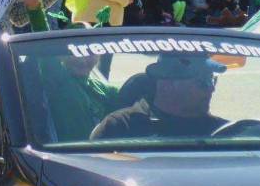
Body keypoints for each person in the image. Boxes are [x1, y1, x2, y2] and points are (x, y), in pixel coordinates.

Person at [90, 55, 227, 139]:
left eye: (212, 80)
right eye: (203, 82)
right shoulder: (121, 127)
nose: (211, 88)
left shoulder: (225, 131)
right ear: (167, 85)